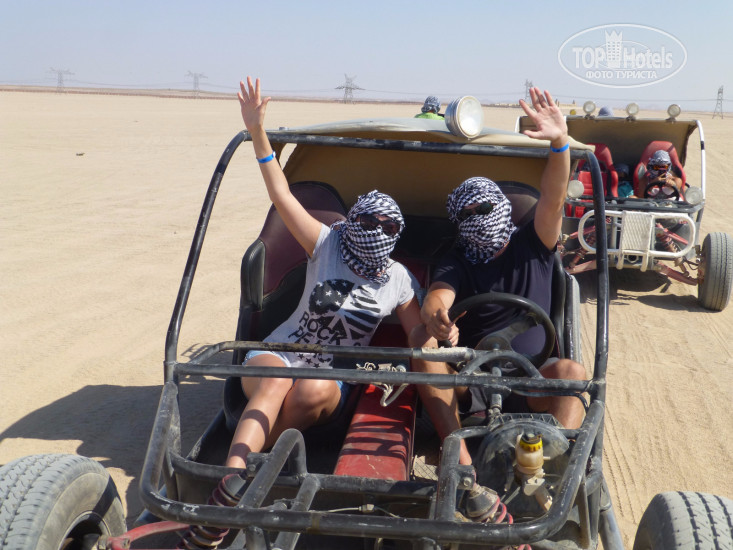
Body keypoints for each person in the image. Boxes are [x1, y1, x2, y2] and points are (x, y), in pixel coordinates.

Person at [224, 77, 423, 469]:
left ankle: (257, 459)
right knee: (277, 380)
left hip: (332, 376)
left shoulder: (398, 278)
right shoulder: (327, 243)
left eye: (388, 227)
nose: (377, 232)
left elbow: (417, 334)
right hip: (279, 354)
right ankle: (233, 472)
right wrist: (257, 131)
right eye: (369, 222)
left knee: (311, 392)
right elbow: (282, 196)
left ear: (397, 233)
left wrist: (439, 327)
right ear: (354, 220)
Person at [409, 87, 587, 468]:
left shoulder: (534, 242)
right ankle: (459, 457)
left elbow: (554, 197)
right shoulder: (458, 259)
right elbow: (437, 298)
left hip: (532, 376)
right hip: (471, 380)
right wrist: (437, 318)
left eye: (485, 208)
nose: (479, 219)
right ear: (459, 222)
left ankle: (554, 466)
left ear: (502, 206)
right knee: (421, 340)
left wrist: (559, 142)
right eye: (468, 214)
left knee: (572, 373)